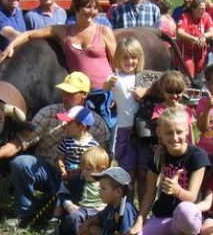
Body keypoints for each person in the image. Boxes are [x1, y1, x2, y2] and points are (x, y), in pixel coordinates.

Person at [0, 72, 109, 225]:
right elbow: (22, 140)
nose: (64, 96)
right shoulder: (48, 113)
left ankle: (77, 217)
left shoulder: (98, 125)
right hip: (48, 171)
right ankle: (24, 212)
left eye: (71, 93)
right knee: (21, 163)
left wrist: (82, 174)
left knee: (72, 218)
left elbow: (103, 160)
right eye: (63, 91)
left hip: (80, 178)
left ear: (84, 95)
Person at [120, 107, 210, 235]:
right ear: (159, 133)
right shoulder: (158, 155)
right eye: (169, 133)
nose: (175, 137)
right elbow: (149, 193)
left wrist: (177, 190)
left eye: (179, 132)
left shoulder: (198, 156)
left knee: (186, 210)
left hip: (185, 219)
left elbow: (191, 197)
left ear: (187, 132)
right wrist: (140, 221)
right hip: (162, 216)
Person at [2, 0, 117, 96]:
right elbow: (29, 34)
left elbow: (117, 64)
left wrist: (116, 93)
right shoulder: (63, 31)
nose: (92, 11)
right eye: (88, 7)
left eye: (95, 8)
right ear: (76, 8)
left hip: (106, 94)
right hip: (78, 95)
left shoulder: (104, 31)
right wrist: (11, 46)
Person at [51, 167, 137, 235]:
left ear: (117, 192)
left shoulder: (126, 208)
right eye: (99, 188)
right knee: (91, 228)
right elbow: (99, 217)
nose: (99, 191)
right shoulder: (111, 205)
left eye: (103, 189)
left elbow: (124, 234)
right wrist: (87, 223)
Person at [104, 36, 150, 204]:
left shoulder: (144, 78)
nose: (130, 61)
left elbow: (160, 87)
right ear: (118, 58)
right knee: (128, 175)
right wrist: (109, 82)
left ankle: (142, 214)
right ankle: (127, 210)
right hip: (125, 131)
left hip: (144, 132)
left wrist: (146, 91)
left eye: (133, 57)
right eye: (125, 57)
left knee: (144, 174)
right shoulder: (116, 77)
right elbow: (106, 86)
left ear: (139, 58)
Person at [56, 146, 110, 235]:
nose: (84, 172)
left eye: (88, 169)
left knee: (104, 224)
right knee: (73, 217)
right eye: (83, 168)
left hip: (99, 213)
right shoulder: (80, 179)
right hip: (81, 210)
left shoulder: (107, 183)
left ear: (102, 169)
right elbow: (64, 192)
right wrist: (69, 205)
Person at [176, 0, 213, 80]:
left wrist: (204, 36)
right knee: (189, 74)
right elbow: (179, 32)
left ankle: (198, 92)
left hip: (200, 53)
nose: (203, 10)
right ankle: (189, 91)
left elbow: (212, 31)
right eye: (200, 8)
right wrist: (194, 39)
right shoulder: (185, 16)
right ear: (193, 8)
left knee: (200, 76)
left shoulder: (206, 16)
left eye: (204, 8)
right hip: (186, 52)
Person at [151, 70, 196, 143]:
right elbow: (160, 127)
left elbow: (190, 130)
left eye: (178, 91)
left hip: (184, 146)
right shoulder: (159, 109)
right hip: (168, 146)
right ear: (162, 90)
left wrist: (193, 147)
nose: (175, 95)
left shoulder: (187, 110)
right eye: (170, 92)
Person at [55, 106, 100, 179]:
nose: (65, 125)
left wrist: (81, 171)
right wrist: (63, 172)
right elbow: (60, 158)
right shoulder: (66, 141)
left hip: (84, 180)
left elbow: (93, 165)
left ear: (82, 127)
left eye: (69, 123)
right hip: (66, 178)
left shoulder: (93, 146)